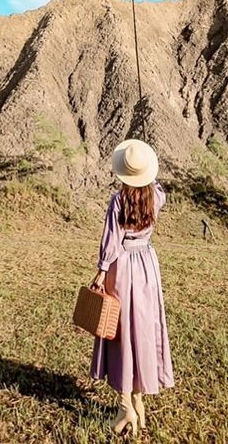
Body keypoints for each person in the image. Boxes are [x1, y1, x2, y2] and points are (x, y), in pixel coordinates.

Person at [90, 139, 174, 436]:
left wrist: (101, 271)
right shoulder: (157, 197)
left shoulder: (118, 201)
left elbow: (111, 241)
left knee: (122, 332)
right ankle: (138, 400)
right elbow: (157, 185)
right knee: (142, 329)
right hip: (147, 266)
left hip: (122, 267)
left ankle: (126, 404)